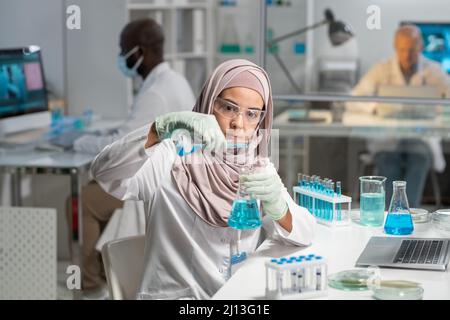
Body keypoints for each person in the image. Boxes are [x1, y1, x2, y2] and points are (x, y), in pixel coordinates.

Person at [90, 59, 316, 299]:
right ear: (210, 102)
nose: (238, 123)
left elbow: (305, 233)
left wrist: (280, 209)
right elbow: (104, 171)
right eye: (229, 108)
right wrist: (159, 128)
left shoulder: (257, 165)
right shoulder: (171, 155)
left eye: (252, 114)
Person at [73, 18, 195, 297]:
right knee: (94, 192)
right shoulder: (174, 80)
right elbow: (133, 133)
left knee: (85, 200)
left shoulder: (155, 92)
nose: (120, 57)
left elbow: (118, 147)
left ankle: (91, 287)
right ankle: (104, 271)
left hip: (155, 182)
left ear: (139, 53)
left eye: (123, 50)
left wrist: (79, 141)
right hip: (173, 175)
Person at [348, 25, 450, 207]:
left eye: (411, 49)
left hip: (420, 139)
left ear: (420, 48)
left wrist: (437, 109)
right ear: (396, 47)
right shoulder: (382, 69)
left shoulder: (432, 70)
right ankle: (391, 215)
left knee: (419, 158)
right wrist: (374, 108)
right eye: (402, 49)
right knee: (388, 162)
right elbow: (353, 99)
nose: (407, 55)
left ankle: (407, 215)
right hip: (388, 138)